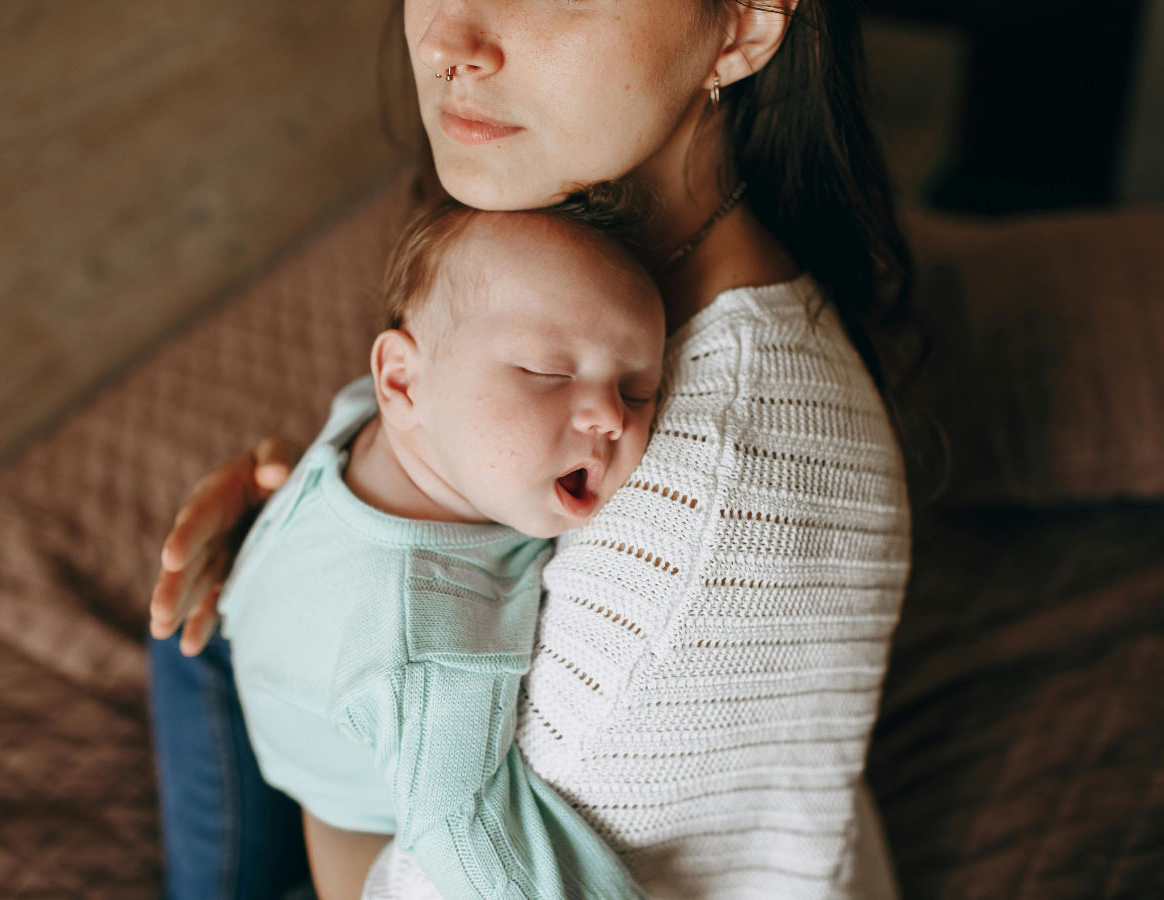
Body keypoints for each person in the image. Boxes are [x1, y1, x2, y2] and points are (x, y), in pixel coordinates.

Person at [149, 0, 914, 897]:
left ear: (744, 24)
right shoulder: (580, 232)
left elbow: (442, 865)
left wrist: (328, 686)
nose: (443, 42)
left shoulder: (699, 533)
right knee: (188, 638)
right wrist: (326, 505)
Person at [220, 199, 665, 900]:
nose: (610, 417)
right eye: (549, 371)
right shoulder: (430, 639)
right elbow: (476, 845)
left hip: (297, 715)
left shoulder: (389, 426)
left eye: (638, 390)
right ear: (401, 381)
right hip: (323, 780)